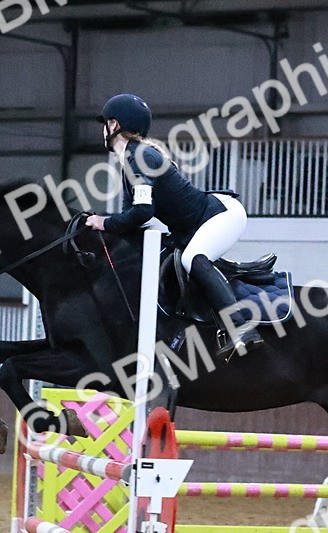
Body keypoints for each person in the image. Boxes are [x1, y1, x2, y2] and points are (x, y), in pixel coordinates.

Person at [85, 93, 264, 358]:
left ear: (114, 125)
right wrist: (105, 225)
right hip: (196, 225)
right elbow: (129, 215)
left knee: (193, 258)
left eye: (106, 123)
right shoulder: (130, 161)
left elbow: (143, 211)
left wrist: (103, 222)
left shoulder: (140, 156)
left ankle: (242, 328)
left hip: (222, 215)